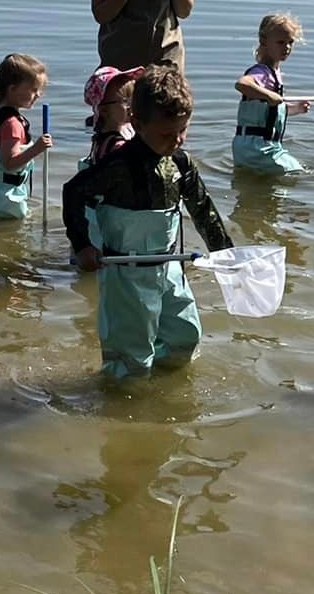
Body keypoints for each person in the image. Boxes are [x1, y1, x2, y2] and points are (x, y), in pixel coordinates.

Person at [63, 65, 233, 378]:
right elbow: (73, 193)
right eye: (167, 134)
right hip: (126, 275)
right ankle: (124, 399)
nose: (178, 140)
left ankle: (160, 383)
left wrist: (226, 254)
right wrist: (83, 245)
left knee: (186, 336)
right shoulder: (117, 165)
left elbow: (203, 209)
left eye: (184, 129)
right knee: (130, 361)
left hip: (169, 268)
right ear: (138, 124)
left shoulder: (181, 163)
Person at [0, 53, 54, 220]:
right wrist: (37, 148)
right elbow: (10, 164)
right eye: (34, 90)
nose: (38, 95)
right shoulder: (12, 124)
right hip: (4, 197)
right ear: (12, 89)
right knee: (13, 237)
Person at [232, 12, 311, 175]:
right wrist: (269, 95)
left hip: (253, 145)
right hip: (258, 147)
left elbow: (269, 112)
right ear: (264, 42)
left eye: (290, 42)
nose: (287, 47)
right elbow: (242, 84)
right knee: (298, 173)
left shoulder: (274, 73)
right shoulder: (262, 73)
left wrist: (295, 109)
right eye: (281, 42)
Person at [81, 64, 142, 168]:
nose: (131, 106)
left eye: (132, 99)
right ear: (104, 110)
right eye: (125, 101)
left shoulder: (100, 137)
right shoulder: (118, 146)